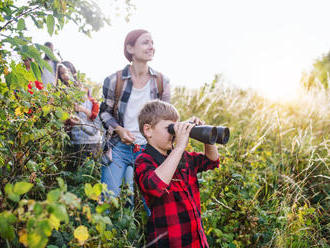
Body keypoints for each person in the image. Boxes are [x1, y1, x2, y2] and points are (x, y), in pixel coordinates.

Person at [99, 29, 170, 206]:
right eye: (145, 42)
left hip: (148, 150)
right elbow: (104, 112)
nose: (151, 47)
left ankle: (150, 234)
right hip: (118, 148)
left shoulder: (162, 81)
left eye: (152, 43)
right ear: (130, 48)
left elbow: (167, 120)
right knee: (108, 200)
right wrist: (119, 129)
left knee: (152, 205)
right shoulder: (114, 80)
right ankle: (108, 233)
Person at [135, 100, 220, 247]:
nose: (174, 134)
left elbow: (211, 161)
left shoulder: (183, 157)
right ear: (148, 130)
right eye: (170, 128)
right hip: (170, 242)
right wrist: (179, 147)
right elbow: (155, 186)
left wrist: (207, 136)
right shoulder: (143, 161)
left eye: (176, 127)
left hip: (196, 240)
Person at [65, 83, 102, 171]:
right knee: (76, 170)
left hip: (92, 142)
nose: (79, 91)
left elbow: (95, 120)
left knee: (90, 170)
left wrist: (83, 110)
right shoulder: (70, 103)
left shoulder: (93, 103)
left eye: (82, 89)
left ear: (86, 90)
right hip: (76, 142)